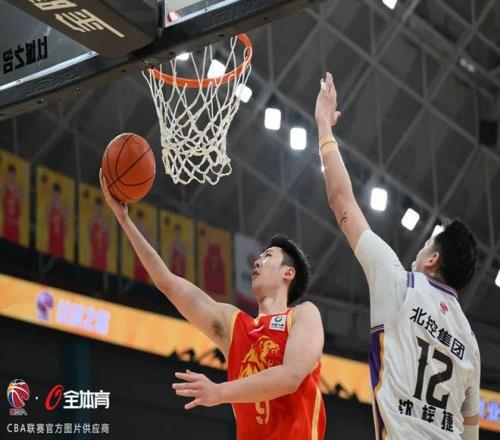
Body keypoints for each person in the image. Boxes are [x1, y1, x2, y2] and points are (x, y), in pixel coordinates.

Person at [99, 169, 326, 440]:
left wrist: (219, 392)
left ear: (288, 273)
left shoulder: (303, 315)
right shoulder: (234, 325)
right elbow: (168, 283)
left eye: (268, 256)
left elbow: (291, 376)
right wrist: (124, 219)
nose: (257, 261)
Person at [315, 72, 480, 439]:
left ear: (433, 260)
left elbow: (341, 201)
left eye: (427, 243)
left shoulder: (399, 282)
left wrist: (324, 126)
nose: (419, 251)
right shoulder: (470, 342)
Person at [2, 164, 22, 244]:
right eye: (8, 174)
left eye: (11, 174)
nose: (10, 176)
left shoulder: (19, 189)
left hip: (15, 224)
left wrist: (14, 192)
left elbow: (20, 207)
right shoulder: (4, 187)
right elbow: (2, 204)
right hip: (6, 223)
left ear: (14, 175)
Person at [89, 197, 109, 271]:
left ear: (101, 208)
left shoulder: (105, 223)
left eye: (99, 207)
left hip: (102, 254)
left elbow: (107, 243)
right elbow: (90, 239)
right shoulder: (92, 221)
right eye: (96, 207)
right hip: (94, 253)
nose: (97, 209)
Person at [47, 182, 66, 258]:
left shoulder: (63, 211)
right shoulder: (49, 207)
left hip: (60, 242)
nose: (56, 196)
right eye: (54, 193)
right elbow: (47, 223)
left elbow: (65, 228)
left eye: (57, 194)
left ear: (60, 194)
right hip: (52, 240)